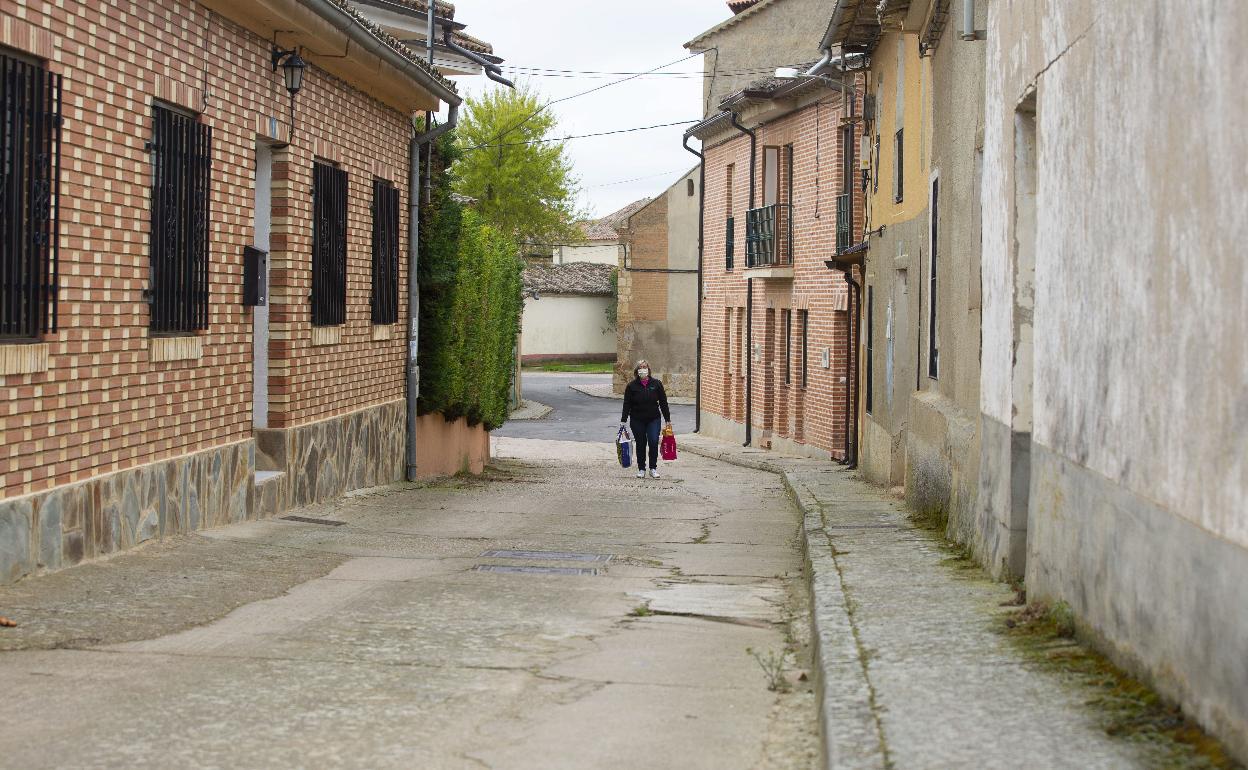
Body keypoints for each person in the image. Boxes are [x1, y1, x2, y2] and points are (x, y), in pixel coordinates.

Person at [620, 359, 671, 479]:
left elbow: (663, 402)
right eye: (640, 367)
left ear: (648, 369)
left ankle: (653, 468)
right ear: (637, 371)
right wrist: (623, 420)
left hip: (653, 418)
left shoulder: (656, 384)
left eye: (645, 367)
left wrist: (667, 419)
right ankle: (641, 468)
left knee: (653, 441)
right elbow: (627, 404)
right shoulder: (631, 386)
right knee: (641, 443)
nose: (643, 369)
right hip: (637, 419)